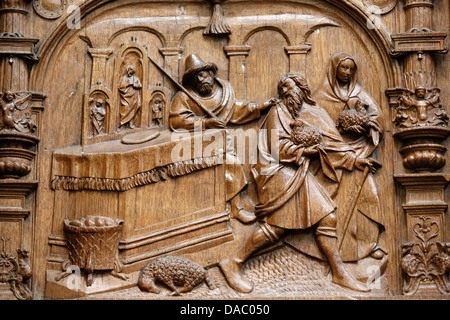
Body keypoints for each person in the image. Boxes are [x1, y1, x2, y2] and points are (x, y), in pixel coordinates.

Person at [218, 73, 373, 293]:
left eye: (290, 87)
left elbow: (328, 143)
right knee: (278, 226)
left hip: (294, 172)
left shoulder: (302, 113)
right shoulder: (277, 112)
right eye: (283, 89)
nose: (285, 92)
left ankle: (339, 274)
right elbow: (276, 147)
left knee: (327, 216)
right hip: (277, 173)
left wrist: (354, 159)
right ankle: (233, 262)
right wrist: (304, 151)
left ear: (302, 90)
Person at [170, 53, 277, 224]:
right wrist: (205, 123)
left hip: (221, 142)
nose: (200, 79)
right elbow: (177, 121)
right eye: (195, 77)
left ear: (211, 73)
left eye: (202, 74)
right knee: (231, 162)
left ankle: (236, 206)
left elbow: (236, 110)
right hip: (194, 145)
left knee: (237, 158)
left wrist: (260, 106)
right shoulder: (184, 97)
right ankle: (235, 209)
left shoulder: (224, 92)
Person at [313, 52, 386, 262]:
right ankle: (334, 252)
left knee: (368, 198)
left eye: (350, 69)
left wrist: (364, 127)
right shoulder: (321, 96)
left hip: (359, 151)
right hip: (332, 157)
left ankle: (368, 245)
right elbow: (318, 125)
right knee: (335, 203)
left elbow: (377, 117)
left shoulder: (359, 94)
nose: (347, 72)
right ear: (334, 69)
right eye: (343, 68)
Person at [118, 65, 142, 131]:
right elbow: (120, 87)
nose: (130, 72)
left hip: (134, 96)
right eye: (130, 70)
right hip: (125, 97)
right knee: (125, 109)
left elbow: (140, 85)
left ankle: (131, 124)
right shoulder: (124, 78)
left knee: (133, 109)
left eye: (132, 71)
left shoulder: (136, 78)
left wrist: (134, 85)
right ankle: (122, 124)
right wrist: (128, 84)